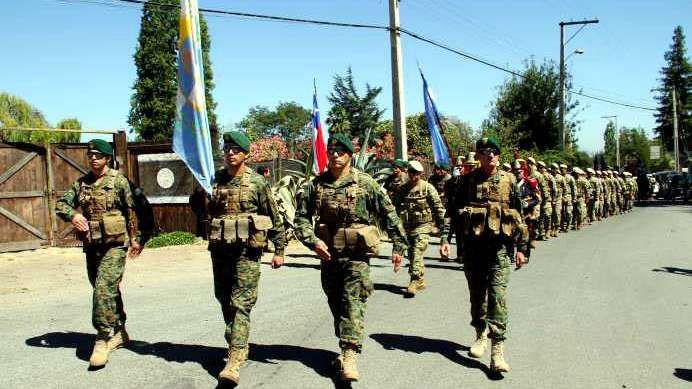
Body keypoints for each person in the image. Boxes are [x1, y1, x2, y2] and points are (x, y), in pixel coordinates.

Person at [294, 134, 407, 382]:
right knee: (337, 304)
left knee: (352, 302)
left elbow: (389, 213)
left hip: (356, 257)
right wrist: (313, 242)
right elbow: (300, 219)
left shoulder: (365, 183)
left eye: (341, 151)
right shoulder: (316, 185)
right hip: (329, 256)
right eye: (332, 150)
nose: (335, 155)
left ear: (350, 155)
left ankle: (350, 353)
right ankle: (345, 347)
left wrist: (399, 246)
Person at [202, 131, 287, 385]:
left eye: (236, 149)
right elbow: (202, 209)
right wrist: (198, 192)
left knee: (241, 303)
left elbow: (274, 216)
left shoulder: (257, 183)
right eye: (227, 148)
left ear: (246, 154)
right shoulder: (214, 179)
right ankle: (238, 341)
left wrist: (279, 249)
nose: (230, 153)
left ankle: (235, 357)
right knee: (225, 299)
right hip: (220, 251)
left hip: (246, 253)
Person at [441, 137, 528, 374]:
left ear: (499, 156)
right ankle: (480, 333)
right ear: (477, 156)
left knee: (498, 298)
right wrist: (445, 240)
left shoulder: (510, 181)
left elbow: (520, 217)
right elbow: (451, 213)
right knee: (477, 297)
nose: (490, 155)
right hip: (473, 250)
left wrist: (522, 249)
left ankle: (497, 350)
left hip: (499, 250)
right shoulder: (465, 182)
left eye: (494, 152)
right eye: (485, 152)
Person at [55, 139, 143, 369]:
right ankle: (120, 330)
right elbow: (61, 204)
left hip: (115, 246)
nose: (93, 158)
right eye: (90, 155)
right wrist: (73, 215)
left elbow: (133, 209)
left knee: (103, 288)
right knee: (104, 289)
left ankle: (102, 338)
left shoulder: (119, 181)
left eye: (98, 155)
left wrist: (136, 239)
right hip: (93, 245)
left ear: (107, 158)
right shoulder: (82, 184)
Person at [392, 160, 449, 296]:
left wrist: (444, 236)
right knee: (412, 254)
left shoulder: (428, 188)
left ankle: (414, 279)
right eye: (411, 172)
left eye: (417, 173)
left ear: (421, 174)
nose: (414, 176)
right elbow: (394, 210)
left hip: (423, 226)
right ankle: (421, 280)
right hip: (407, 227)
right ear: (407, 172)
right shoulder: (402, 189)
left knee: (417, 250)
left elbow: (439, 210)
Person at [560, 164, 575, 232]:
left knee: (568, 212)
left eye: (563, 168)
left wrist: (574, 198)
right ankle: (562, 226)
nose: (562, 170)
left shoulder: (570, 178)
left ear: (566, 169)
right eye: (561, 168)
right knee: (561, 212)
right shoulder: (559, 177)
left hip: (568, 196)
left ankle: (568, 225)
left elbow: (574, 188)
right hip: (560, 196)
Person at [550, 163, 563, 237]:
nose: (553, 170)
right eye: (552, 168)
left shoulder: (561, 178)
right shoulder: (549, 176)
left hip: (558, 198)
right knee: (551, 214)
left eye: (555, 169)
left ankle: (556, 228)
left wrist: (564, 197)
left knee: (557, 213)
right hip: (550, 197)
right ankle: (551, 228)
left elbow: (565, 188)